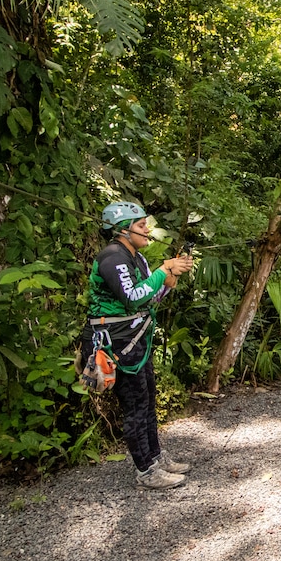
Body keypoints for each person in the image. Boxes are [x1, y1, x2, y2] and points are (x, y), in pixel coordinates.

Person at [82, 201, 195, 489]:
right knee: (133, 404)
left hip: (137, 339)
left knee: (147, 399)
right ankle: (145, 470)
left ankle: (155, 457)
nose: (148, 231)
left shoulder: (137, 259)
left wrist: (168, 281)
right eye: (142, 226)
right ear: (123, 229)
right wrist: (163, 269)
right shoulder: (112, 258)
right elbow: (131, 297)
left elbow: (148, 299)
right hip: (117, 343)